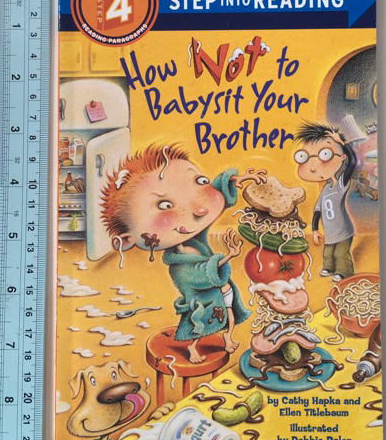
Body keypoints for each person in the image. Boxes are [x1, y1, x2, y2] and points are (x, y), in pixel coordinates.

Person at [101, 143, 264, 362]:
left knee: (231, 318)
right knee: (197, 329)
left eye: (200, 181)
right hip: (204, 305)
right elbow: (202, 274)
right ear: (126, 240)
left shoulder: (193, 237)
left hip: (222, 293)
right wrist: (229, 256)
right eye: (164, 205)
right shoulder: (179, 266)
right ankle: (193, 349)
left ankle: (228, 338)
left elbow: (214, 192)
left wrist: (233, 180)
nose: (200, 209)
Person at [293, 121, 357, 281]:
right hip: (330, 233)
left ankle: (344, 271)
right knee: (328, 253)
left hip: (344, 231)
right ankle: (329, 268)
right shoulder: (326, 189)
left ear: (342, 158)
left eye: (325, 154)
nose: (313, 166)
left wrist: (341, 142)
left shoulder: (340, 184)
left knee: (340, 253)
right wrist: (315, 230)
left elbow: (352, 162)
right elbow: (317, 211)